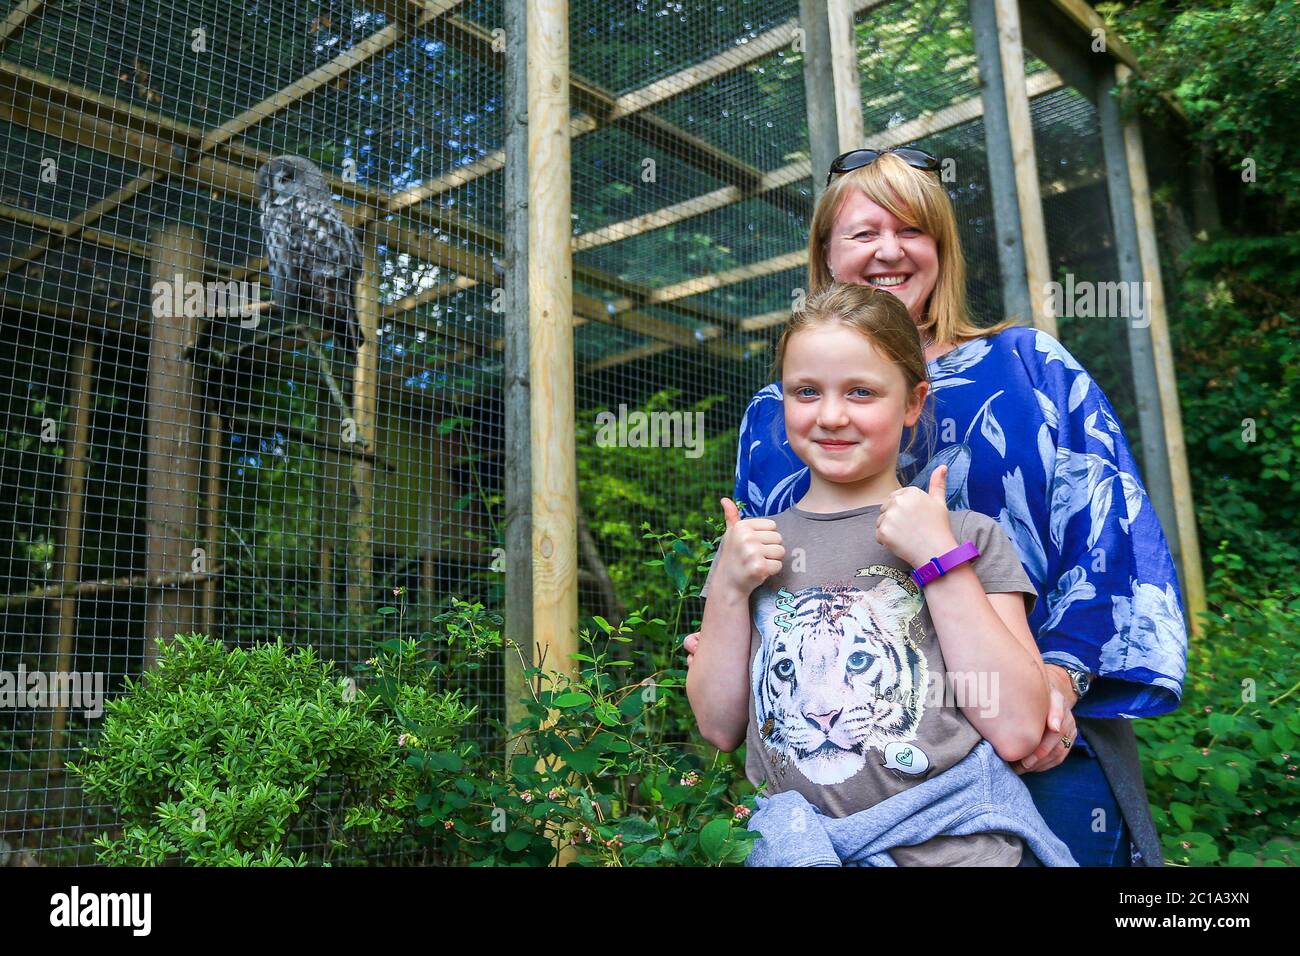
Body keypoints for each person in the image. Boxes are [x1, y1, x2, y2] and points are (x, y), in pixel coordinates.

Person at [684, 145, 1188, 866]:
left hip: (1039, 727)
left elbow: (1112, 543)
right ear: (826, 253)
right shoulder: (770, 415)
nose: (890, 251)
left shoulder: (1027, 365)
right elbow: (769, 588)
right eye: (864, 233)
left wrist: (1060, 676)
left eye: (912, 230)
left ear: (942, 249)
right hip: (848, 764)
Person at [687, 282, 1073, 866]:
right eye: (806, 391)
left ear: (913, 403)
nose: (832, 415)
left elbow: (1018, 727)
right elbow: (719, 727)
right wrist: (726, 589)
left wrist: (938, 560)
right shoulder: (753, 548)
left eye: (861, 392)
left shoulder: (967, 536)